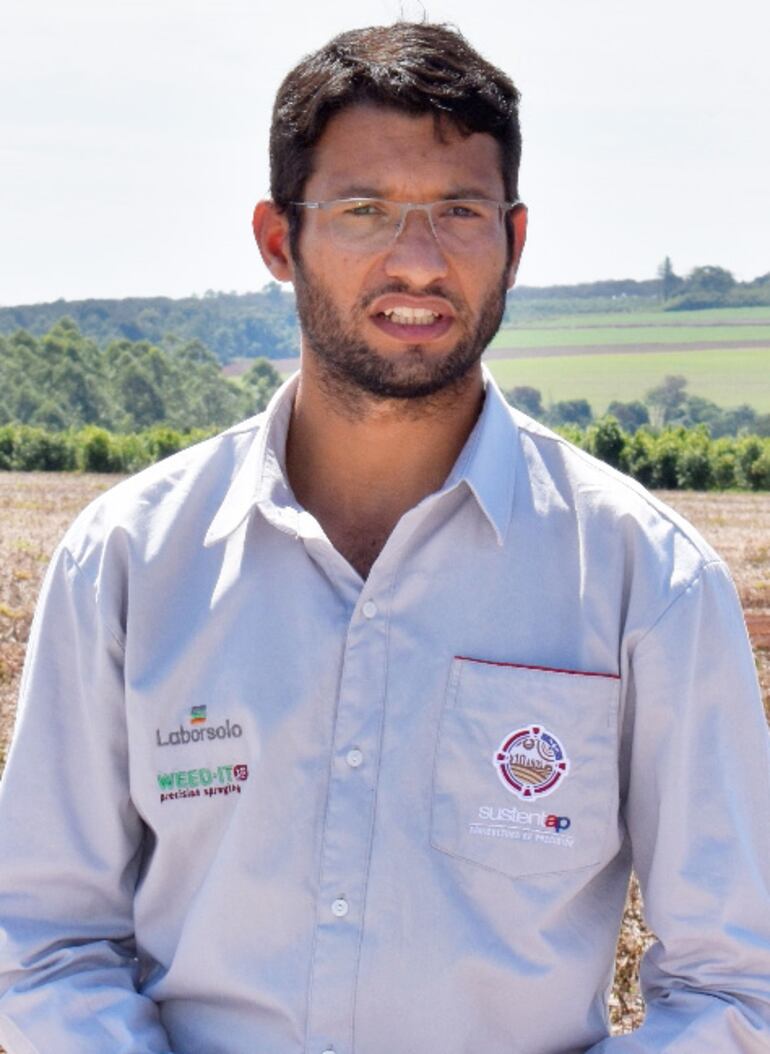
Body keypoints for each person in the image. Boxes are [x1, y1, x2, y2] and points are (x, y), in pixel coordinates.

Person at [0, 21, 769, 1054]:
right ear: (279, 240)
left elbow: (736, 983)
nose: (417, 261)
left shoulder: (646, 578)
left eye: (458, 211)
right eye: (363, 212)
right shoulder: (128, 564)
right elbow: (40, 939)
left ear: (515, 240)